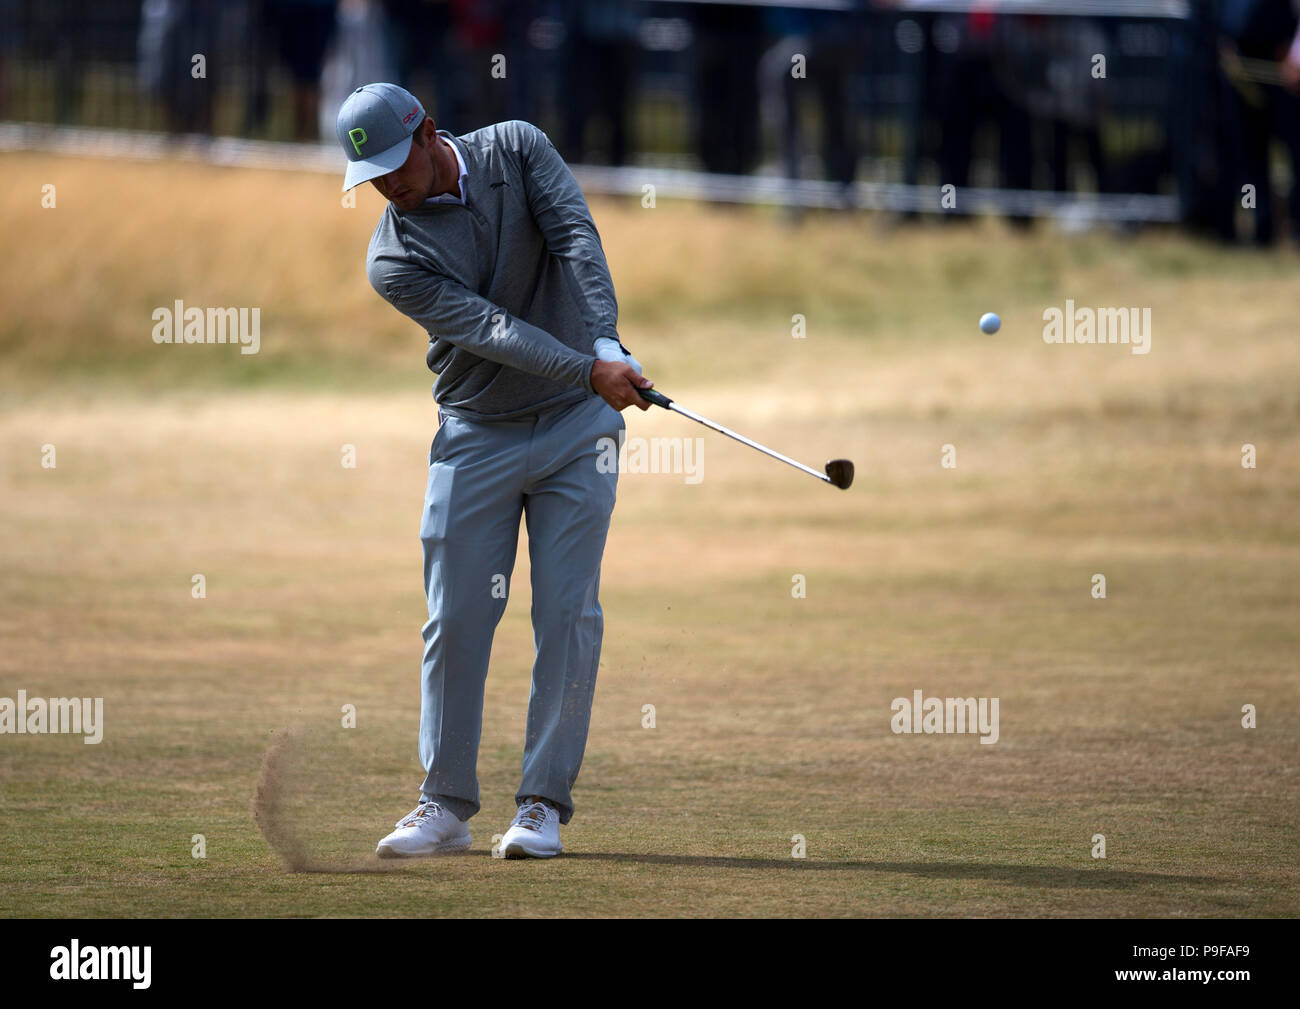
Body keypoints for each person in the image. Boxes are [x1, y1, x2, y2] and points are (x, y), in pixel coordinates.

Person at [335, 84, 651, 859]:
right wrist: (589, 368)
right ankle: (443, 805)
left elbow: (575, 235)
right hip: (477, 433)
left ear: (429, 133)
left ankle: (540, 804)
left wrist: (605, 341)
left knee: (567, 616)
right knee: (457, 620)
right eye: (370, 176)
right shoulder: (394, 256)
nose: (387, 185)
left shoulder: (516, 146)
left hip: (580, 430)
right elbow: (491, 329)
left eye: (392, 164)